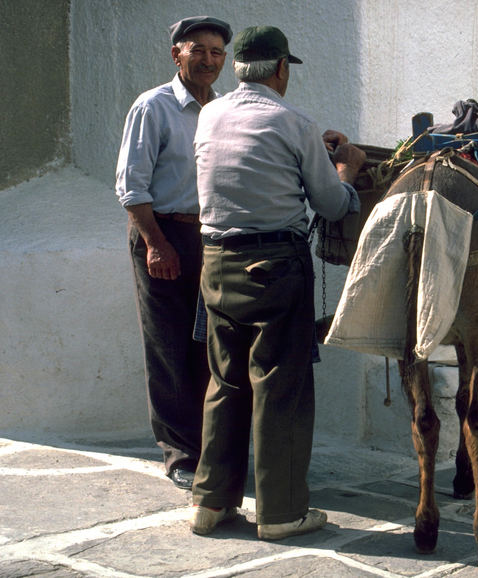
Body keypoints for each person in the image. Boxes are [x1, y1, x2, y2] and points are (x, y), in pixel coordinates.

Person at [189, 25, 366, 539]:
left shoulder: (210, 115)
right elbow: (332, 204)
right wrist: (345, 170)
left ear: (239, 67)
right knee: (279, 385)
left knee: (225, 382)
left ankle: (210, 503)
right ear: (282, 69)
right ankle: (282, 513)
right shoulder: (295, 122)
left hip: (216, 263)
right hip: (275, 268)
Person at [115, 16, 232, 490]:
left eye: (217, 53)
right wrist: (155, 244)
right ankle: (181, 455)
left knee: (210, 346)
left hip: (211, 238)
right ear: (176, 55)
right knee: (168, 346)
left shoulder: (225, 110)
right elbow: (131, 186)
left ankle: (213, 447)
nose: (208, 60)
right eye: (198, 50)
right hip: (161, 234)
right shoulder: (153, 107)